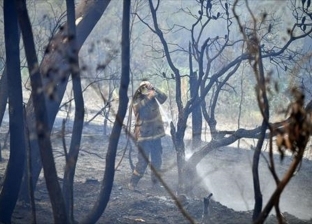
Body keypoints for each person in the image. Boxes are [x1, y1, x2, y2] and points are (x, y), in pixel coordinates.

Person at [128, 80, 168, 190]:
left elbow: (164, 97)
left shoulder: (154, 96)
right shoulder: (138, 99)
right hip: (143, 136)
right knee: (142, 162)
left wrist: (154, 88)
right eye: (144, 88)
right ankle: (132, 183)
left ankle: (155, 184)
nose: (147, 89)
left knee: (157, 161)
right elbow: (137, 108)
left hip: (155, 135)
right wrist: (148, 98)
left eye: (148, 87)